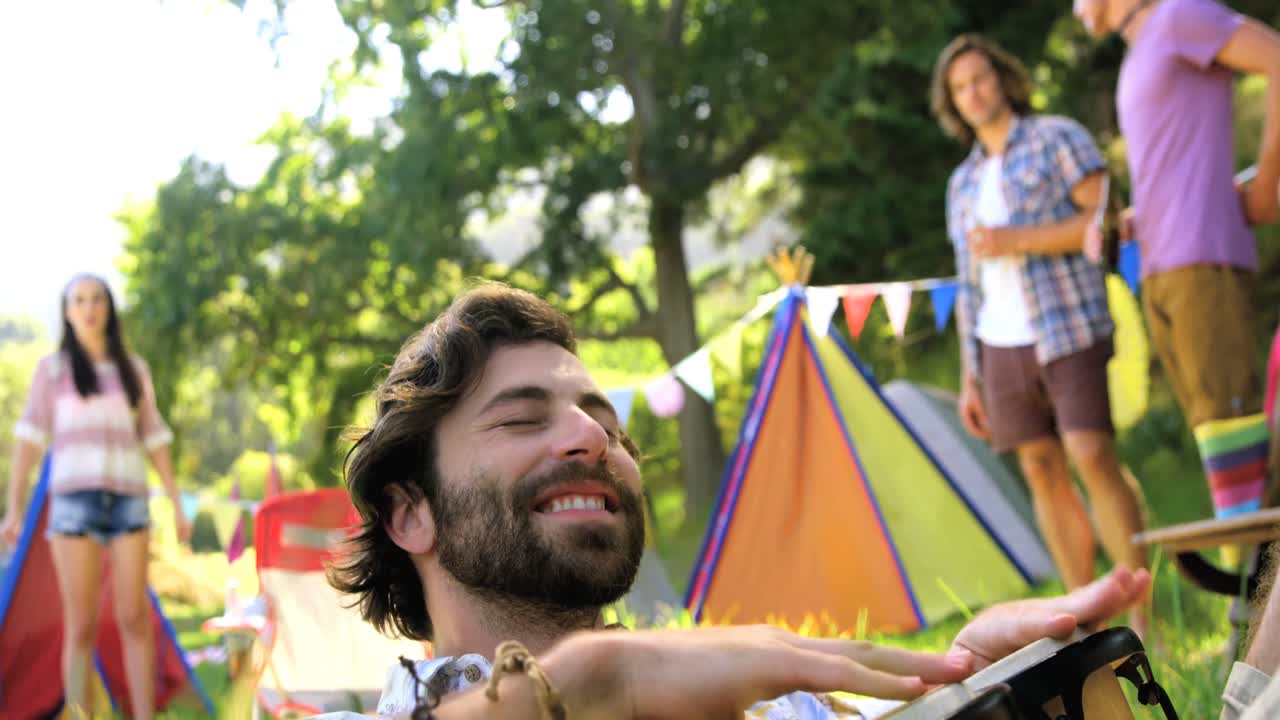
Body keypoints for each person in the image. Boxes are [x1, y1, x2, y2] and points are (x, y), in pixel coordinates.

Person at [321, 282, 1158, 720]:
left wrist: (980, 690)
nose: (591, 439)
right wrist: (586, 687)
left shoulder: (772, 699)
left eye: (604, 421)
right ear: (409, 513)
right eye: (520, 418)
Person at [930, 34, 1149, 622]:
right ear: (951, 102)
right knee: (1038, 469)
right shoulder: (962, 184)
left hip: (1069, 325)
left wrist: (1016, 240)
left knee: (1091, 455)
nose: (972, 93)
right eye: (959, 87)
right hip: (998, 345)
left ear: (1002, 78)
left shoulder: (1058, 138)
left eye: (980, 78)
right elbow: (967, 284)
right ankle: (1082, 616)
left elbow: (1101, 222)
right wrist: (970, 376)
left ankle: (1141, 612)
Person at [1072, 0, 1280, 534]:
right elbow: (1179, 163)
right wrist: (1135, 221)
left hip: (1202, 256)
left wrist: (1264, 185)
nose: (1074, 9)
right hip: (1161, 266)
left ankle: (1254, 599)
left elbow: (1277, 58)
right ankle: (1250, 594)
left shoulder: (1179, 15)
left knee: (1233, 432)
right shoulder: (1140, 52)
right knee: (1215, 437)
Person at [1, 274, 192, 720]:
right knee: (81, 624)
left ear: (108, 308)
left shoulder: (134, 370)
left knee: (133, 617)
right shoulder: (52, 371)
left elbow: (155, 437)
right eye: (79, 300)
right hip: (72, 504)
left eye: (97, 299)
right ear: (68, 312)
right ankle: (79, 715)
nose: (89, 308)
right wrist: (13, 507)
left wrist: (177, 504)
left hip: (129, 502)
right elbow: (28, 439)